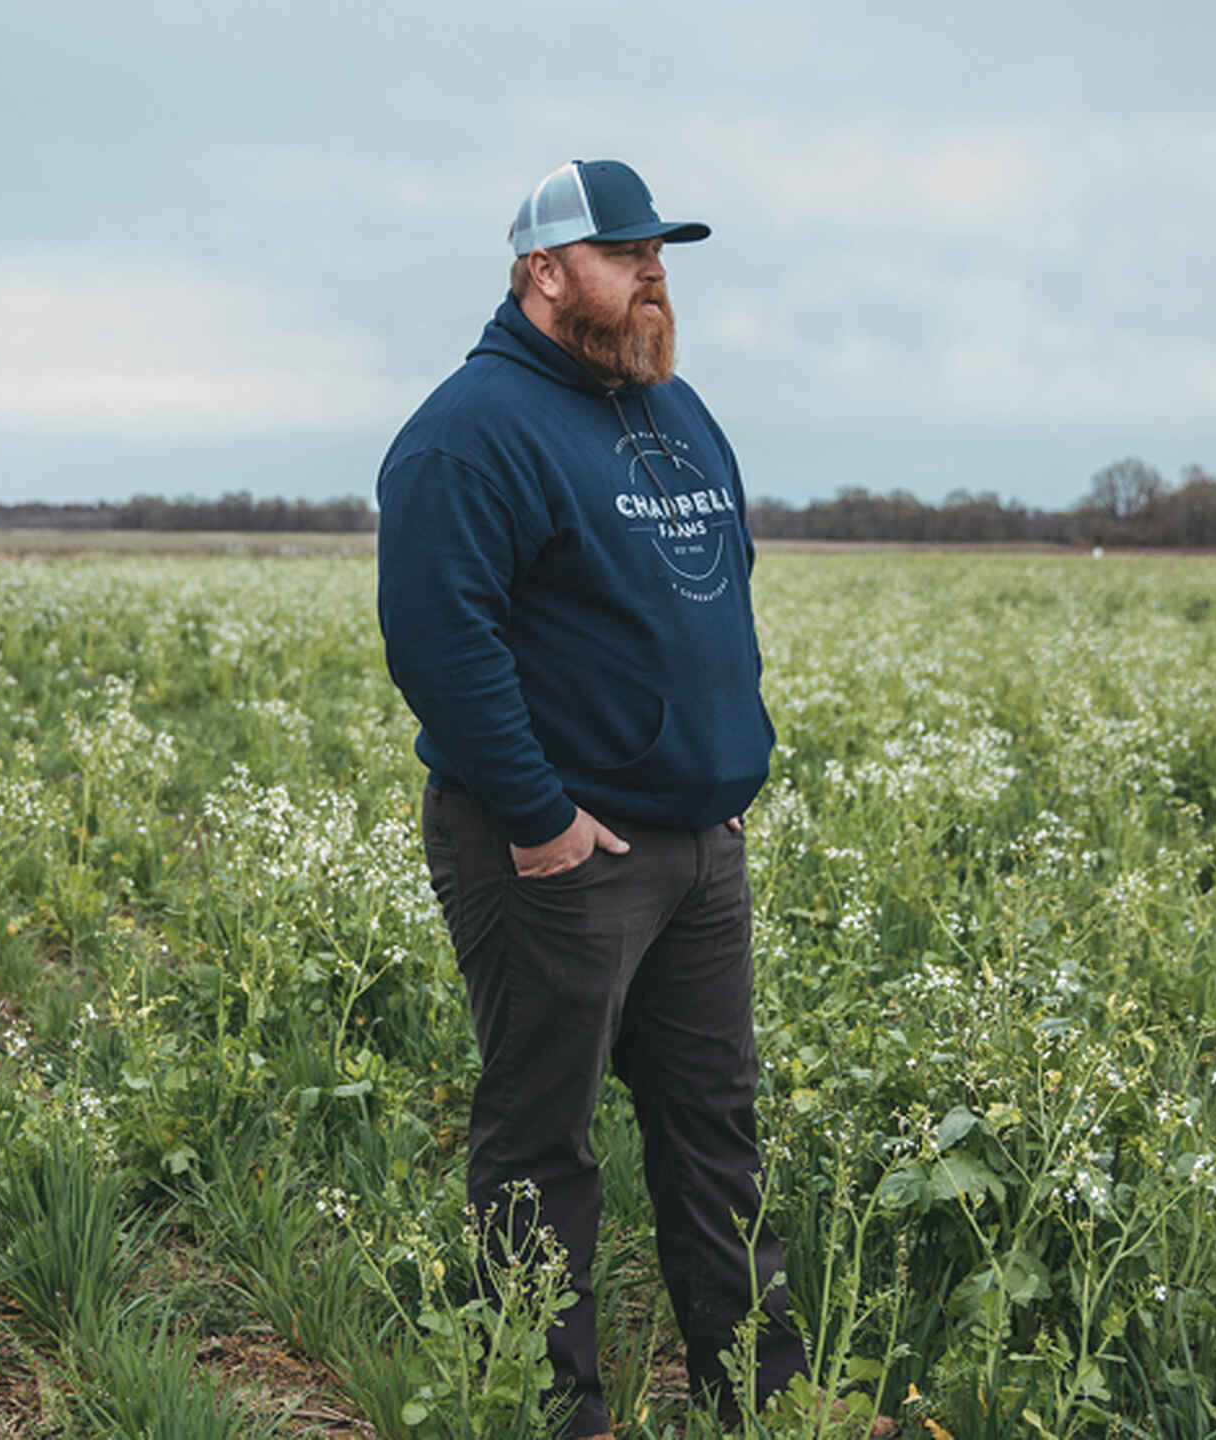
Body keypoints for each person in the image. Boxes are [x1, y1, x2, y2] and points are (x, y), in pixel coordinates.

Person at [375, 158, 807, 1438]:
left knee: (716, 1132)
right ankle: (549, 1409)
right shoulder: (468, 431)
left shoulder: (673, 409)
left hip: (693, 847)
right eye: (626, 255)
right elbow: (441, 648)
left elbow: (717, 599)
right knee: (539, 1142)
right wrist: (540, 820)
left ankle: (762, 1406)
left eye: (661, 253)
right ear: (543, 272)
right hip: (558, 852)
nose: (653, 273)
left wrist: (725, 772)